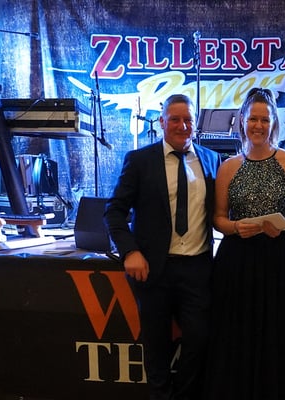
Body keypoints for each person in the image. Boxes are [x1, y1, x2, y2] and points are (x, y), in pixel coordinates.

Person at [104, 94, 221, 400]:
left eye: (188, 120)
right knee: (156, 346)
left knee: (200, 339)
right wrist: (130, 251)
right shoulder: (140, 160)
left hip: (197, 269)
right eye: (175, 119)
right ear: (162, 122)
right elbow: (114, 211)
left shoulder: (212, 159)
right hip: (153, 270)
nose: (183, 126)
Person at [203, 88, 285, 400]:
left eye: (265, 120)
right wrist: (237, 227)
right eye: (253, 119)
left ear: (274, 123)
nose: (259, 125)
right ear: (242, 120)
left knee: (281, 334)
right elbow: (218, 218)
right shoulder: (228, 167)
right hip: (238, 263)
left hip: (283, 261)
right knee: (238, 334)